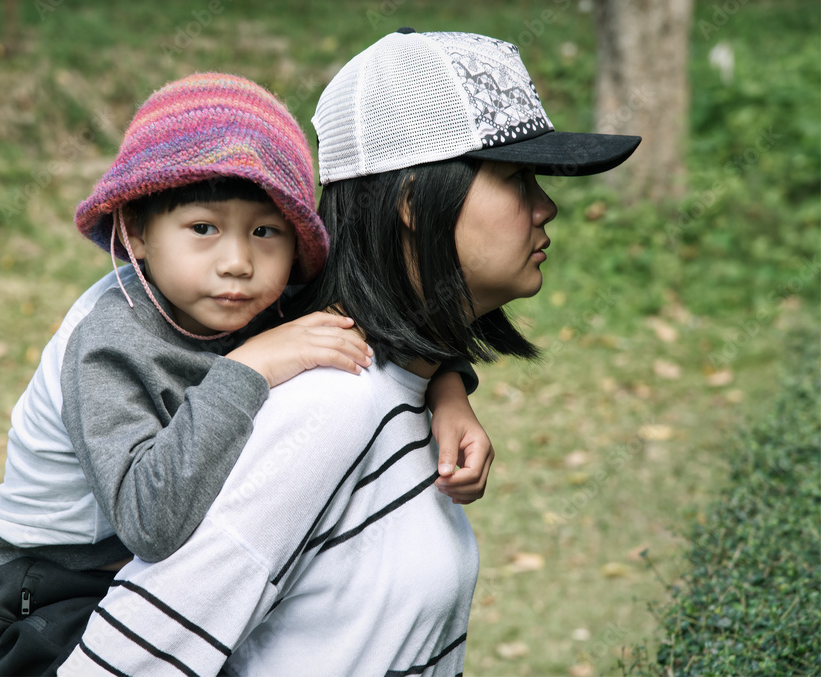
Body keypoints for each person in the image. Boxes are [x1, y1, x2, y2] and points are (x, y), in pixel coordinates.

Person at [58, 30, 641, 677]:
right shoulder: (327, 406)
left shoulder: (390, 382)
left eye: (262, 231)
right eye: (515, 177)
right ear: (413, 202)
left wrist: (448, 383)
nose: (546, 206)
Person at [0, 72, 489, 676]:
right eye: (203, 228)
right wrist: (250, 367)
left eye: (265, 231)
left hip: (168, 581)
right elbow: (151, 523)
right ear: (136, 230)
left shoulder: (264, 296)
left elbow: (380, 321)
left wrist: (448, 392)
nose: (238, 262)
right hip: (52, 599)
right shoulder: (109, 344)